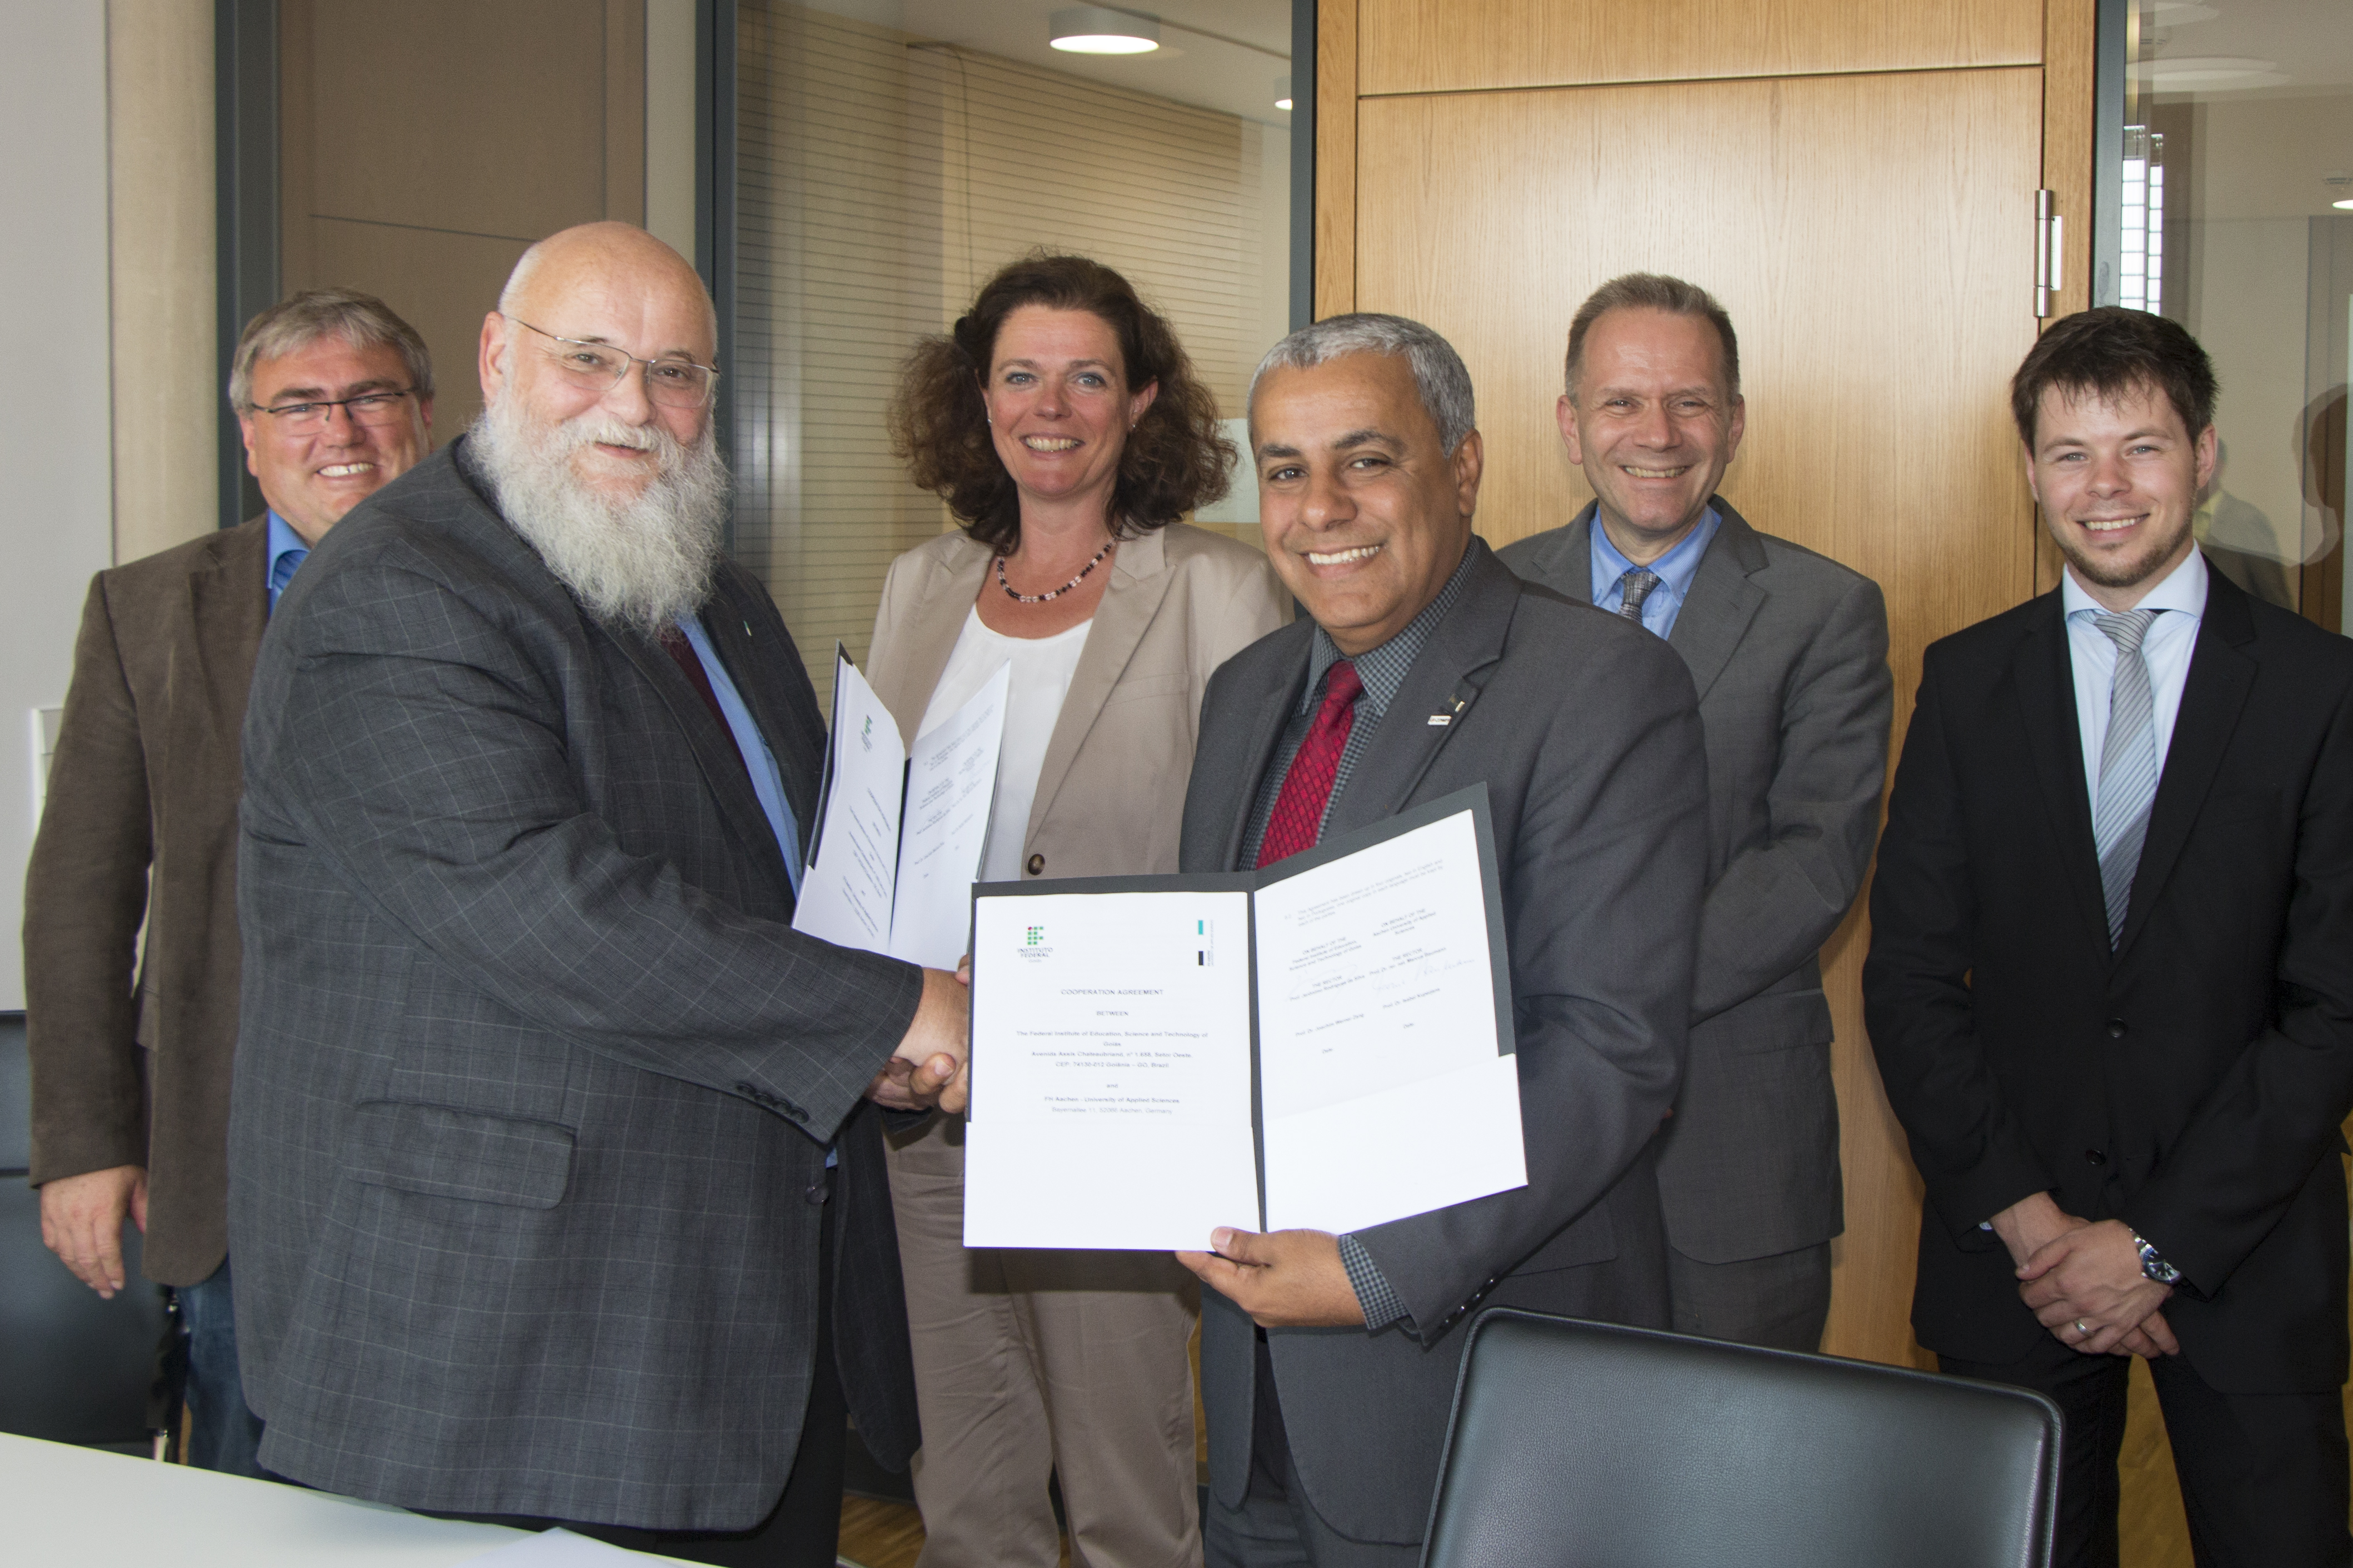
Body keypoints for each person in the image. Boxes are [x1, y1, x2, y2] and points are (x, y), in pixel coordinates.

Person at [228, 222, 969, 1565]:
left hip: (735, 1321)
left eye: (676, 371)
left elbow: (790, 878)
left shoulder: (718, 598)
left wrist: (886, 1010)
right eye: (590, 358)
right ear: (499, 359)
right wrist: (890, 1012)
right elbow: (544, 902)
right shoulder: (397, 590)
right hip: (511, 1347)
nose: (636, 405)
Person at [1174, 313, 1707, 1566]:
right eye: (1286, 469)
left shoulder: (1601, 686)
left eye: (1368, 459)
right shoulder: (1247, 692)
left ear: (1462, 468)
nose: (1320, 508)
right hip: (1255, 1398)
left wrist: (1374, 1267)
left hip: (1470, 1381)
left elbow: (1613, 1050)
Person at [1864, 306, 2353, 1568]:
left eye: (2141, 446)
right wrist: (2034, 1225)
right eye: (2072, 453)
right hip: (2011, 1261)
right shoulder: (1968, 683)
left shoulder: (2321, 689)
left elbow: (2334, 1008)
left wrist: (2154, 1245)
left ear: (2206, 455)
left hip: (2247, 1259)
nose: (2108, 487)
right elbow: (1913, 978)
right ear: (2030, 472)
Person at [870, 254, 1289, 1568]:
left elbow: (1257, 850)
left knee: (1125, 1480)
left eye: (1089, 375)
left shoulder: (1218, 591)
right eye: (1020, 374)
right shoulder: (917, 586)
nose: (1051, 405)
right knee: (969, 1474)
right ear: (976, 397)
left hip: (1116, 1089)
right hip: (937, 1080)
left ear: (1142, 399)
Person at [26, 288, 434, 1473]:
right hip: (232, 1147)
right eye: (298, 404)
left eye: (368, 396)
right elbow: (79, 892)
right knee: (252, 1488)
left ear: (425, 413)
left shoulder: (529, 596)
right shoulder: (147, 609)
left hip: (460, 1140)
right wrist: (88, 1139)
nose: (339, 431)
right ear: (249, 435)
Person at [1497, 273, 1890, 1352]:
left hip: (1733, 1141)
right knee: (1552, 1463)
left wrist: (1619, 1005)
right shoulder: (1488, 595)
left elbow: (1814, 860)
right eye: (1622, 401)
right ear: (1572, 426)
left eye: (1692, 402)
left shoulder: (1826, 610)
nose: (1658, 434)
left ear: (1736, 422)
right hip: (1532, 1123)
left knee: (1741, 1474)